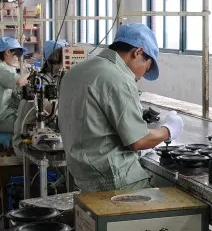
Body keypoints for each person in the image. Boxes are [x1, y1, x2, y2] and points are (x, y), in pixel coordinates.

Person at [57, 23, 183, 191]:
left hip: (84, 178)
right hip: (116, 181)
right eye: (146, 68)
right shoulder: (118, 77)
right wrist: (169, 130)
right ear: (138, 52)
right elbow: (139, 140)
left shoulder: (75, 71)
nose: (141, 76)